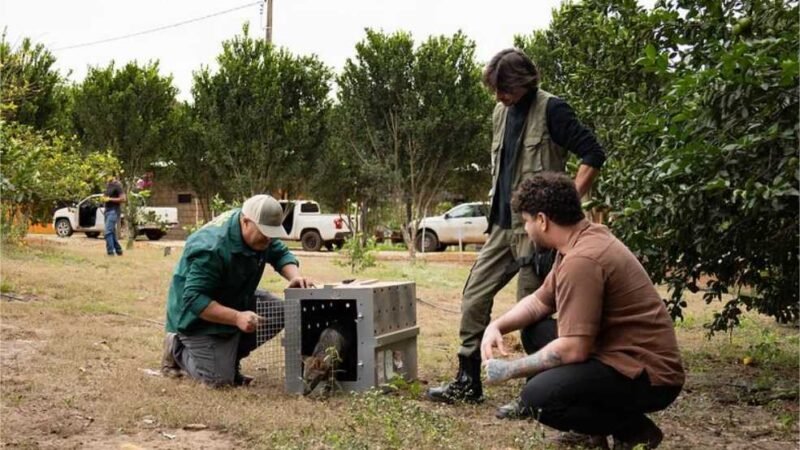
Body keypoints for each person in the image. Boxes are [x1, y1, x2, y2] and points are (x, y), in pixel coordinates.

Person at [427, 48, 606, 411]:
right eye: (495, 90)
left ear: (524, 82)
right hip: (502, 226)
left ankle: (535, 396)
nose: (498, 96)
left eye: (504, 89)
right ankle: (467, 381)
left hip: (537, 233)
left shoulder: (553, 109)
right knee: (474, 296)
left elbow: (593, 154)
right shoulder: (500, 113)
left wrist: (564, 203)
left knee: (532, 314)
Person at [481, 173, 684, 449]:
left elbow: (574, 349)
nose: (526, 229)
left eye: (526, 221)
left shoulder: (583, 260)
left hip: (649, 376)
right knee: (536, 330)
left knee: (538, 398)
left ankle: (635, 430)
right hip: (617, 353)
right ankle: (594, 432)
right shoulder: (578, 241)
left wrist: (508, 370)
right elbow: (540, 301)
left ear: (542, 220)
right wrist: (497, 326)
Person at [160, 194, 314, 386]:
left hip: (234, 295)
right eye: (265, 232)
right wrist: (237, 317)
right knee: (219, 380)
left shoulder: (261, 232)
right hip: (195, 316)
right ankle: (177, 349)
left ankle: (228, 359)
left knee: (283, 311)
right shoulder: (211, 248)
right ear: (246, 221)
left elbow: (279, 252)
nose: (268, 238)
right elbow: (194, 299)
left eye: (272, 233)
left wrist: (294, 276)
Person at [103, 175, 126, 256]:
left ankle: (110, 252)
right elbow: (106, 197)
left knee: (107, 232)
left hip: (114, 211)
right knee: (111, 232)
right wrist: (103, 199)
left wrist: (110, 199)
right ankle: (119, 250)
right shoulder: (107, 187)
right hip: (107, 210)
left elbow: (123, 199)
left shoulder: (117, 186)